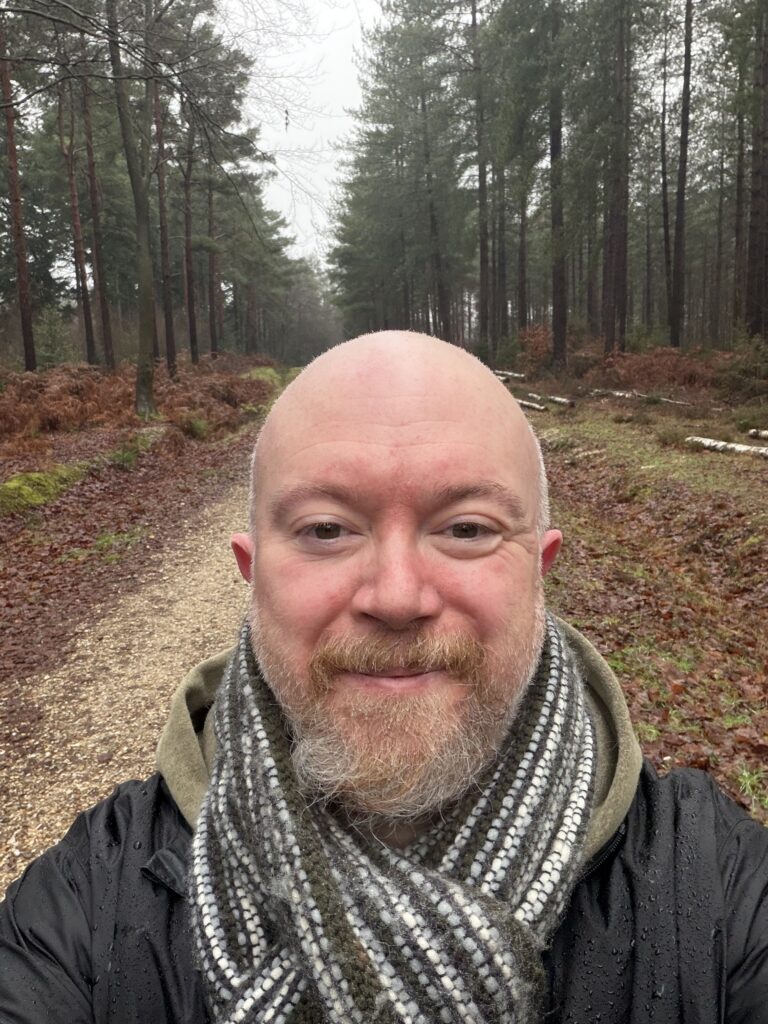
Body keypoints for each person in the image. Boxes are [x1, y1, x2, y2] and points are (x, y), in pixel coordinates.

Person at [1, 331, 766, 1024]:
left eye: (466, 529)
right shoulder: (89, 906)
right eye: (326, 530)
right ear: (253, 570)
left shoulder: (716, 894)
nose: (397, 597)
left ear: (540, 569)